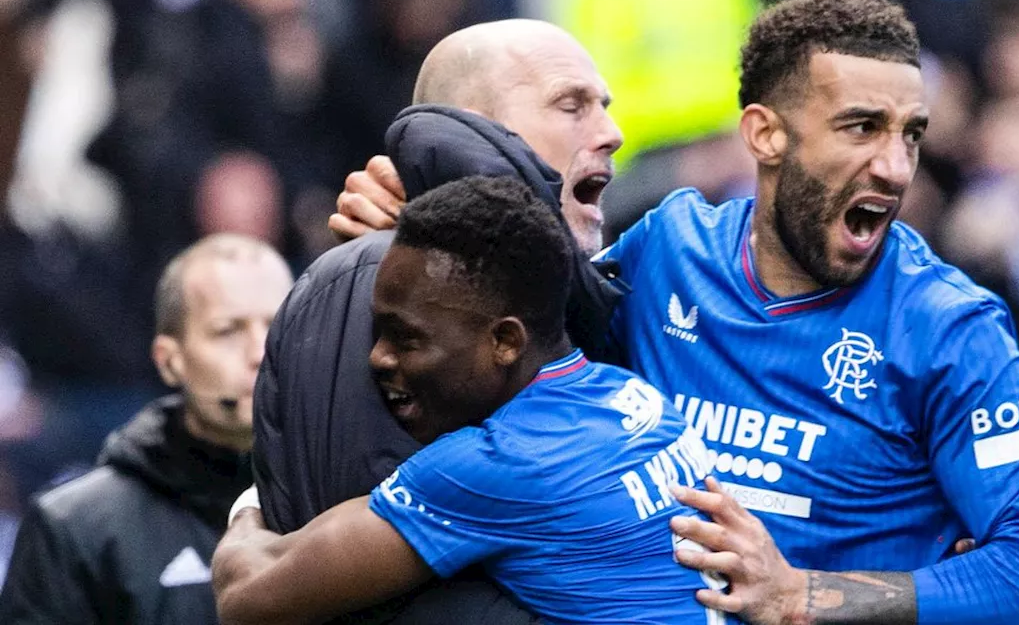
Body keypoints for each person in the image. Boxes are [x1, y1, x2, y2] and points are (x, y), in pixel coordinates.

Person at [338, 0, 1019, 624]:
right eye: (861, 128)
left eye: (912, 134)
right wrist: (415, 232)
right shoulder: (670, 249)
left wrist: (802, 594)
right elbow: (518, 337)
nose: (896, 166)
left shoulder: (947, 329)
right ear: (764, 135)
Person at [214, 176, 733, 625]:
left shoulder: (503, 464)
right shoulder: (634, 397)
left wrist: (253, 504)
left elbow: (249, 601)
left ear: (505, 342)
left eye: (405, 338)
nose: (376, 358)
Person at [251, 18, 623, 622]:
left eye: (603, 106)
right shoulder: (370, 283)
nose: (612, 133)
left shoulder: (570, 293)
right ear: (477, 124)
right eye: (571, 105)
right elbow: (335, 575)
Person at [0, 234, 293, 624]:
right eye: (228, 330)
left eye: (279, 326)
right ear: (170, 361)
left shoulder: (345, 497)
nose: (260, 352)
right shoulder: (75, 529)